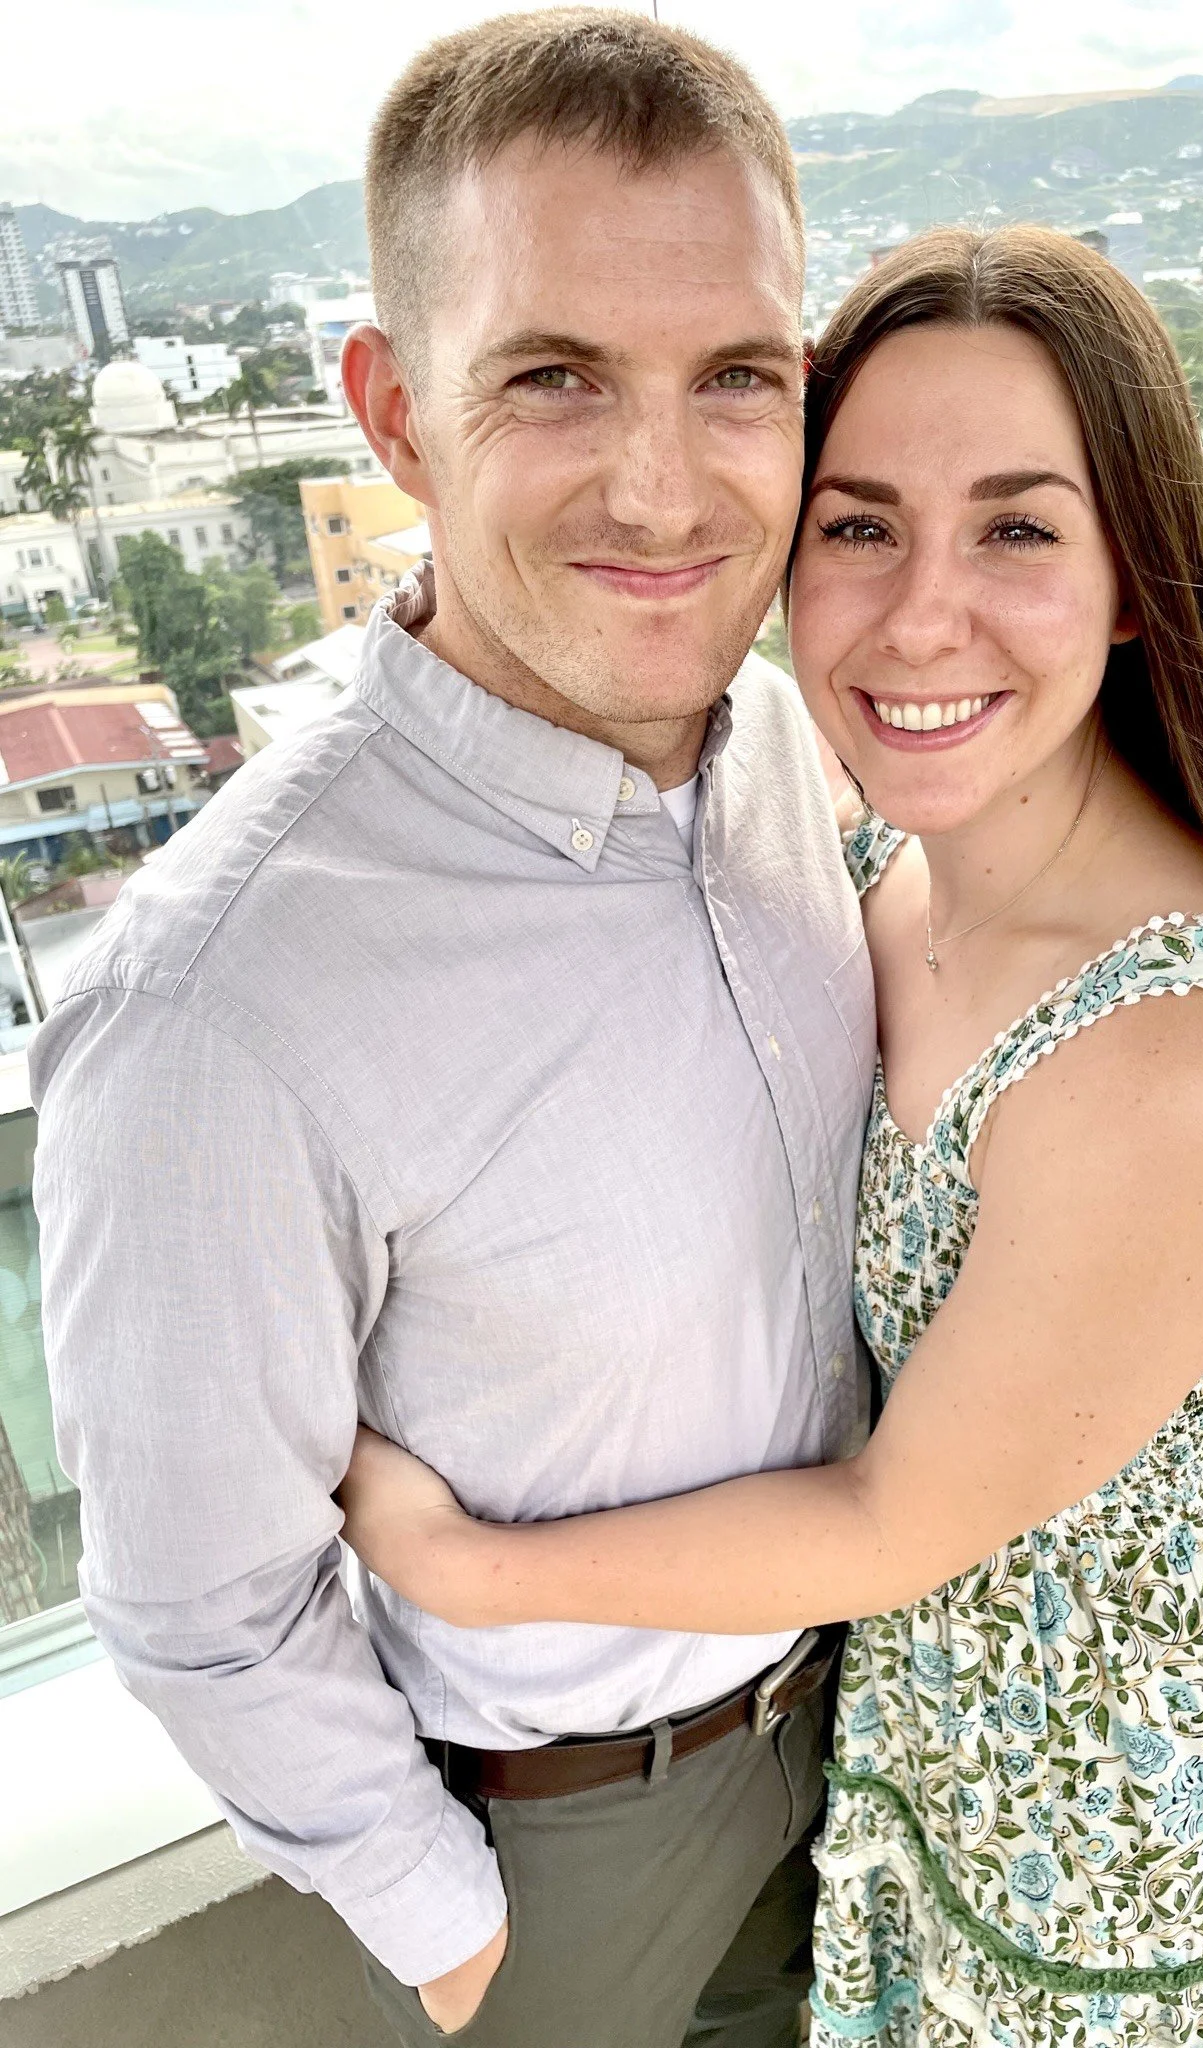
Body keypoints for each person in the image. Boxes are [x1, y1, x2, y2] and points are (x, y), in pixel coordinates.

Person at [338, 225, 1203, 2048]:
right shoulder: (891, 880)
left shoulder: (1192, 1046)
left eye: (1020, 529)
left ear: (1141, 581)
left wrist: (459, 1562)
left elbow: (898, 1519)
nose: (918, 616)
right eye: (861, 522)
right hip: (929, 1743)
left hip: (1129, 1814)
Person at [31, 14, 874, 2048]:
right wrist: (457, 1925)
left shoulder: (780, 734)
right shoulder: (226, 997)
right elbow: (196, 1595)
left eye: (737, 376)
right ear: (396, 412)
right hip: (561, 1847)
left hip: (864, 1723)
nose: (666, 487)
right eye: (555, 376)